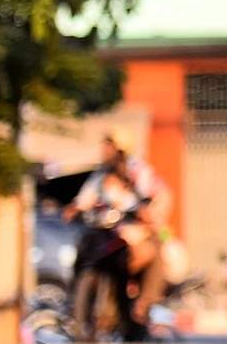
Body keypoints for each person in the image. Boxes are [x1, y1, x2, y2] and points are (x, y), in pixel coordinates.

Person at [67, 132, 173, 319]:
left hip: (134, 226)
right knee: (84, 246)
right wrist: (75, 208)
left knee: (149, 252)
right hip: (108, 227)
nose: (105, 151)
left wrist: (149, 214)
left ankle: (144, 303)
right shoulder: (102, 173)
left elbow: (160, 195)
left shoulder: (138, 170)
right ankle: (73, 299)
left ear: (120, 149)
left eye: (110, 147)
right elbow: (87, 195)